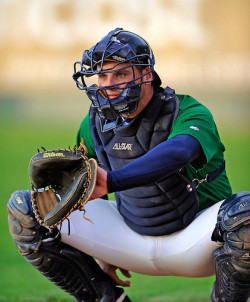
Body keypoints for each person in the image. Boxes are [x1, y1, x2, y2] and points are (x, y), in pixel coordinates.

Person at [7, 28, 250, 302]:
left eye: (120, 74)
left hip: (197, 243)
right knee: (27, 210)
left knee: (246, 214)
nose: (108, 85)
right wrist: (101, 250)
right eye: (102, 76)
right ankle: (106, 298)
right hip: (130, 237)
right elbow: (89, 188)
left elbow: (178, 151)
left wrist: (112, 181)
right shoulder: (93, 125)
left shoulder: (189, 111)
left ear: (146, 74)